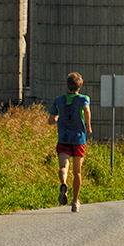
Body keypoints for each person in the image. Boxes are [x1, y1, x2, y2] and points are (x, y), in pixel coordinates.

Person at [48, 72, 92, 213]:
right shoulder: (83, 98)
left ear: (67, 85)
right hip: (78, 138)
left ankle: (63, 183)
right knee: (77, 171)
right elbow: (86, 109)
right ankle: (75, 202)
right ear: (80, 85)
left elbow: (50, 120)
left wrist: (58, 119)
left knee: (63, 167)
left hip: (64, 138)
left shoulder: (58, 100)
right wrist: (89, 126)